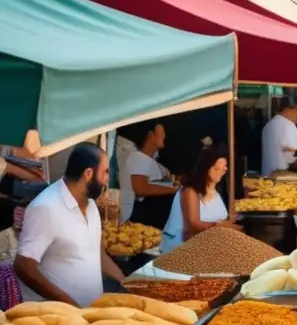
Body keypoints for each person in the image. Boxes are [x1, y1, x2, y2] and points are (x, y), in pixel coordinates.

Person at [15, 143, 124, 307]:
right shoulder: (46, 207)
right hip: (57, 318)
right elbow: (23, 265)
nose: (108, 179)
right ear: (88, 173)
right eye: (106, 172)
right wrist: (67, 302)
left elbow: (97, 253)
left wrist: (125, 281)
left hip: (89, 312)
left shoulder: (91, 205)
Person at [161, 147, 236, 253]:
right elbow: (194, 224)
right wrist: (219, 226)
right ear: (206, 168)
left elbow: (222, 220)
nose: (224, 170)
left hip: (210, 248)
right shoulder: (190, 191)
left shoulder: (216, 195)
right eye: (217, 168)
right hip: (182, 250)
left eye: (225, 167)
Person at [120, 121, 177, 227]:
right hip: (142, 220)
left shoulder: (149, 160)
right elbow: (140, 188)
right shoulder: (138, 157)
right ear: (151, 135)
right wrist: (173, 190)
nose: (164, 135)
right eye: (162, 132)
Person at [261, 104, 297, 176]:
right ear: (289, 111)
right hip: (281, 174)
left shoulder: (268, 125)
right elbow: (293, 150)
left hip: (267, 173)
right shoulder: (288, 125)